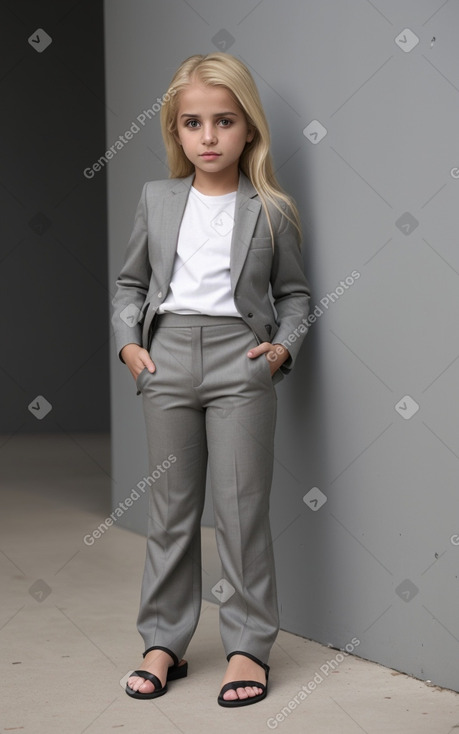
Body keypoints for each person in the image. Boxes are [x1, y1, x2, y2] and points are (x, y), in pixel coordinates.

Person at [111, 52, 311, 708]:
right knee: (169, 511)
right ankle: (162, 641)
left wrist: (279, 350)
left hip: (239, 363)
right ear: (174, 130)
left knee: (240, 511)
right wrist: (129, 345)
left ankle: (247, 646)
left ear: (247, 128)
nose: (207, 137)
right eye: (191, 123)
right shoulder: (157, 198)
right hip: (166, 359)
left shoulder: (271, 208)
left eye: (223, 122)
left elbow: (295, 297)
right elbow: (130, 284)